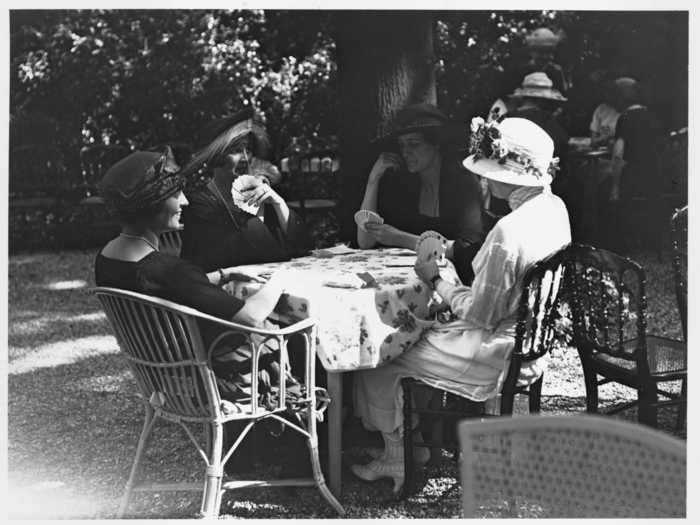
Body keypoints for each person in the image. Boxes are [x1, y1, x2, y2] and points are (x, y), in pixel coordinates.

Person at [351, 117, 571, 494]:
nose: (483, 180)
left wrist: (438, 279)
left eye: (490, 172)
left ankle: (398, 453)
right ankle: (416, 442)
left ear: (511, 175)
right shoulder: (555, 208)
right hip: (531, 345)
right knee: (418, 329)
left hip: (494, 353)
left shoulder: (509, 231)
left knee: (379, 354)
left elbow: (480, 314)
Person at [95, 147, 309, 472]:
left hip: (164, 379)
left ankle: (260, 451)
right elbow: (251, 316)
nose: (185, 202)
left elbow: (155, 286)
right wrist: (283, 277)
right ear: (150, 204)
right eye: (176, 194)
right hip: (208, 383)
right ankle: (295, 455)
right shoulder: (171, 270)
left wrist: (222, 275)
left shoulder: (109, 258)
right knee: (292, 333)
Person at [356, 103, 485, 284]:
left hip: (455, 289)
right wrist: (373, 180)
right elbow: (365, 241)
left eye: (414, 144)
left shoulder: (462, 183)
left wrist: (400, 238)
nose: (406, 152)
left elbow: (468, 250)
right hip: (409, 282)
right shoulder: (403, 182)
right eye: (402, 145)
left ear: (436, 145)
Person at [179, 108, 311, 273]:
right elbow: (239, 255)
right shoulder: (200, 204)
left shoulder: (260, 195)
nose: (245, 159)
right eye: (235, 151)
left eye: (247, 150)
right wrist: (257, 213)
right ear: (216, 157)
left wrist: (279, 204)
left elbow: (303, 247)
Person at [607, 77, 665, 249]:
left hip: (633, 175)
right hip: (655, 176)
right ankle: (652, 241)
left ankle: (625, 243)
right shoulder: (654, 118)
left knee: (611, 194)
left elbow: (618, 155)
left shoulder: (625, 119)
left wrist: (614, 187)